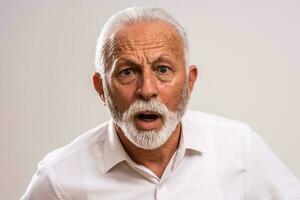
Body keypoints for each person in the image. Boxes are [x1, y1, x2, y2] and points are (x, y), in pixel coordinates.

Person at [22, 7, 300, 200]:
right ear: (101, 89)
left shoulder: (240, 149)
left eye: (163, 70)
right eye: (127, 72)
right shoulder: (59, 178)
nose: (147, 90)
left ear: (190, 83)